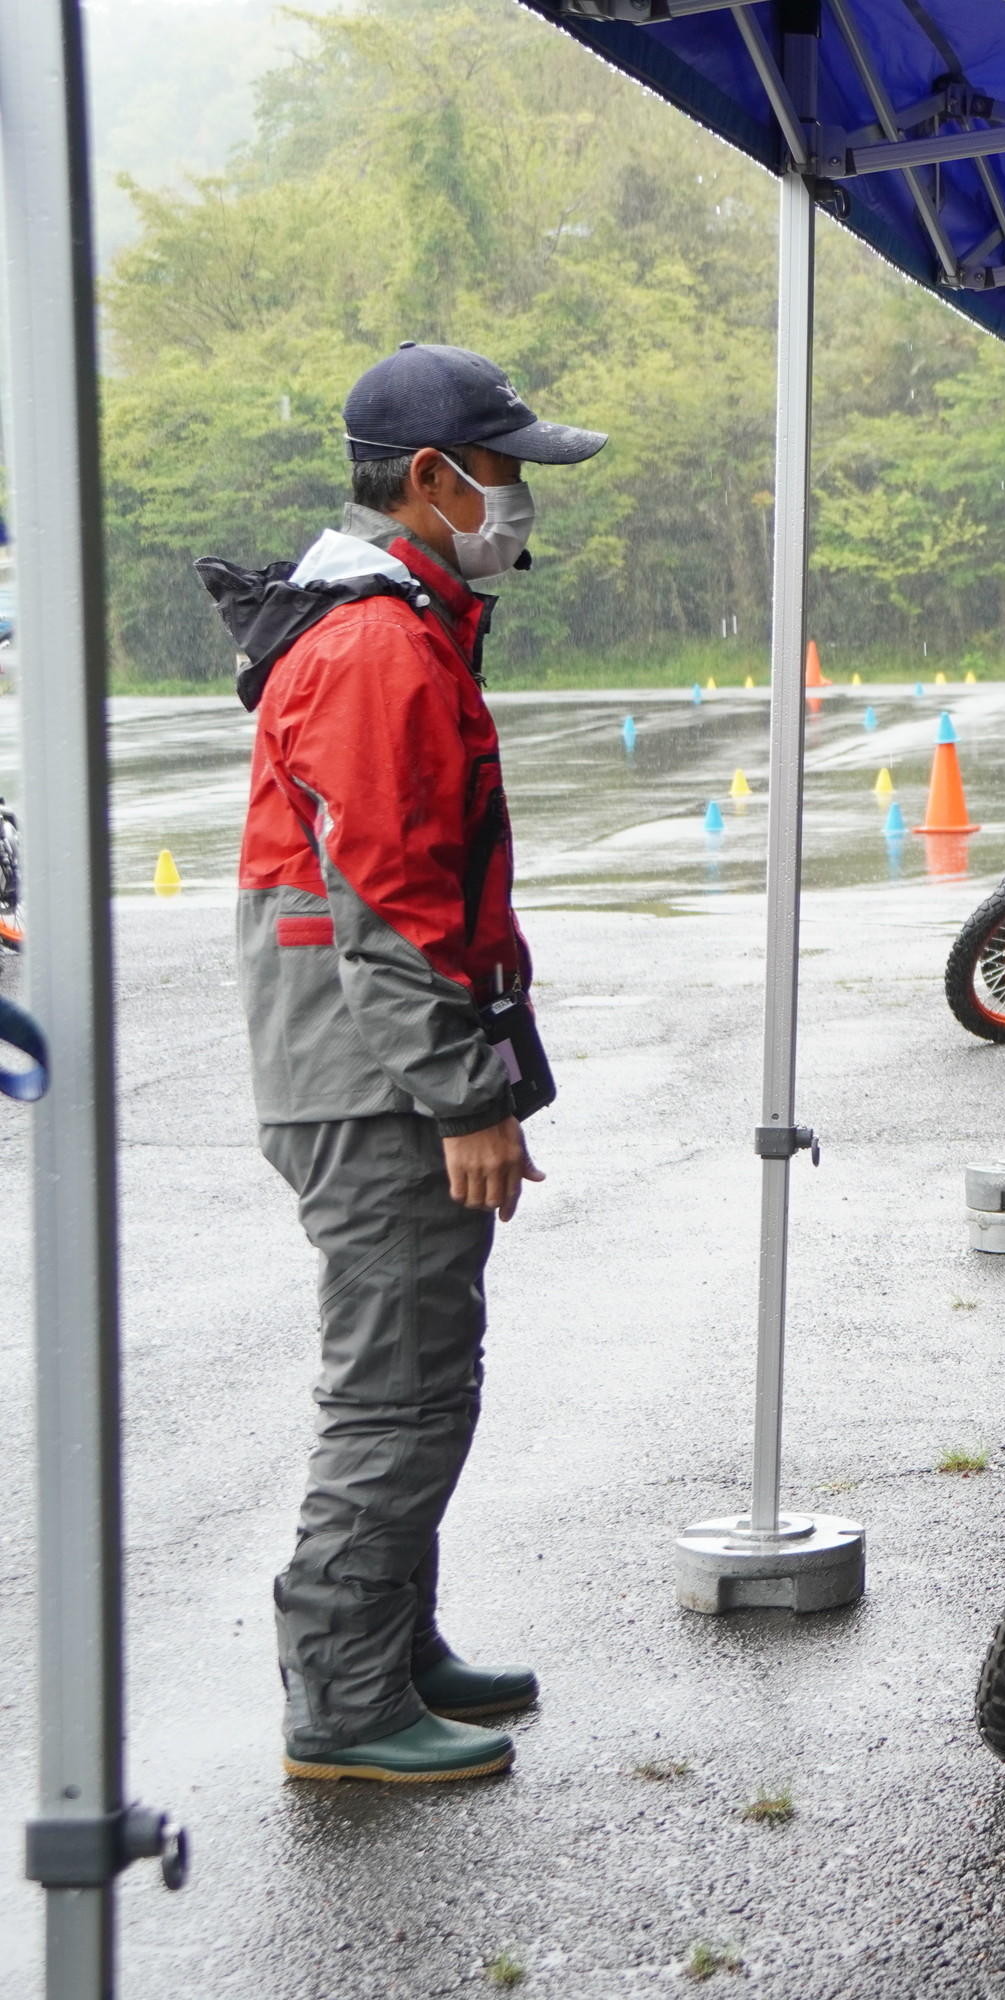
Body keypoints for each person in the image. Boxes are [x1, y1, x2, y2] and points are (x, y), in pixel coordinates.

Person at [204, 342, 602, 1783]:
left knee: (430, 1372)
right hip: (374, 1084)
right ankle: (342, 1699)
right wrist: (467, 1097)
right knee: (399, 1392)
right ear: (431, 479)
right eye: (506, 472)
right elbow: (391, 905)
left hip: (370, 1072)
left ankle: (393, 1646)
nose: (520, 498)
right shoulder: (377, 643)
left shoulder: (396, 621)